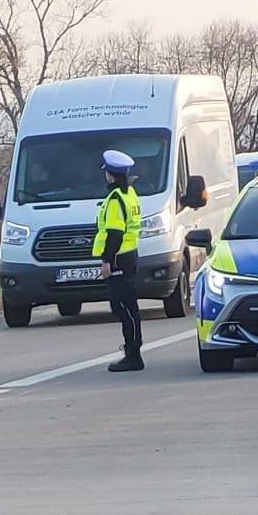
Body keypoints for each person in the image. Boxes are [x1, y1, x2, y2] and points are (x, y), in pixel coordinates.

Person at [95, 150, 144, 373]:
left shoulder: (115, 199)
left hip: (118, 258)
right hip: (129, 255)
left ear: (110, 174)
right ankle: (133, 351)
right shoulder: (130, 193)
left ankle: (133, 354)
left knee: (123, 306)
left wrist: (107, 261)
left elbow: (114, 233)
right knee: (128, 306)